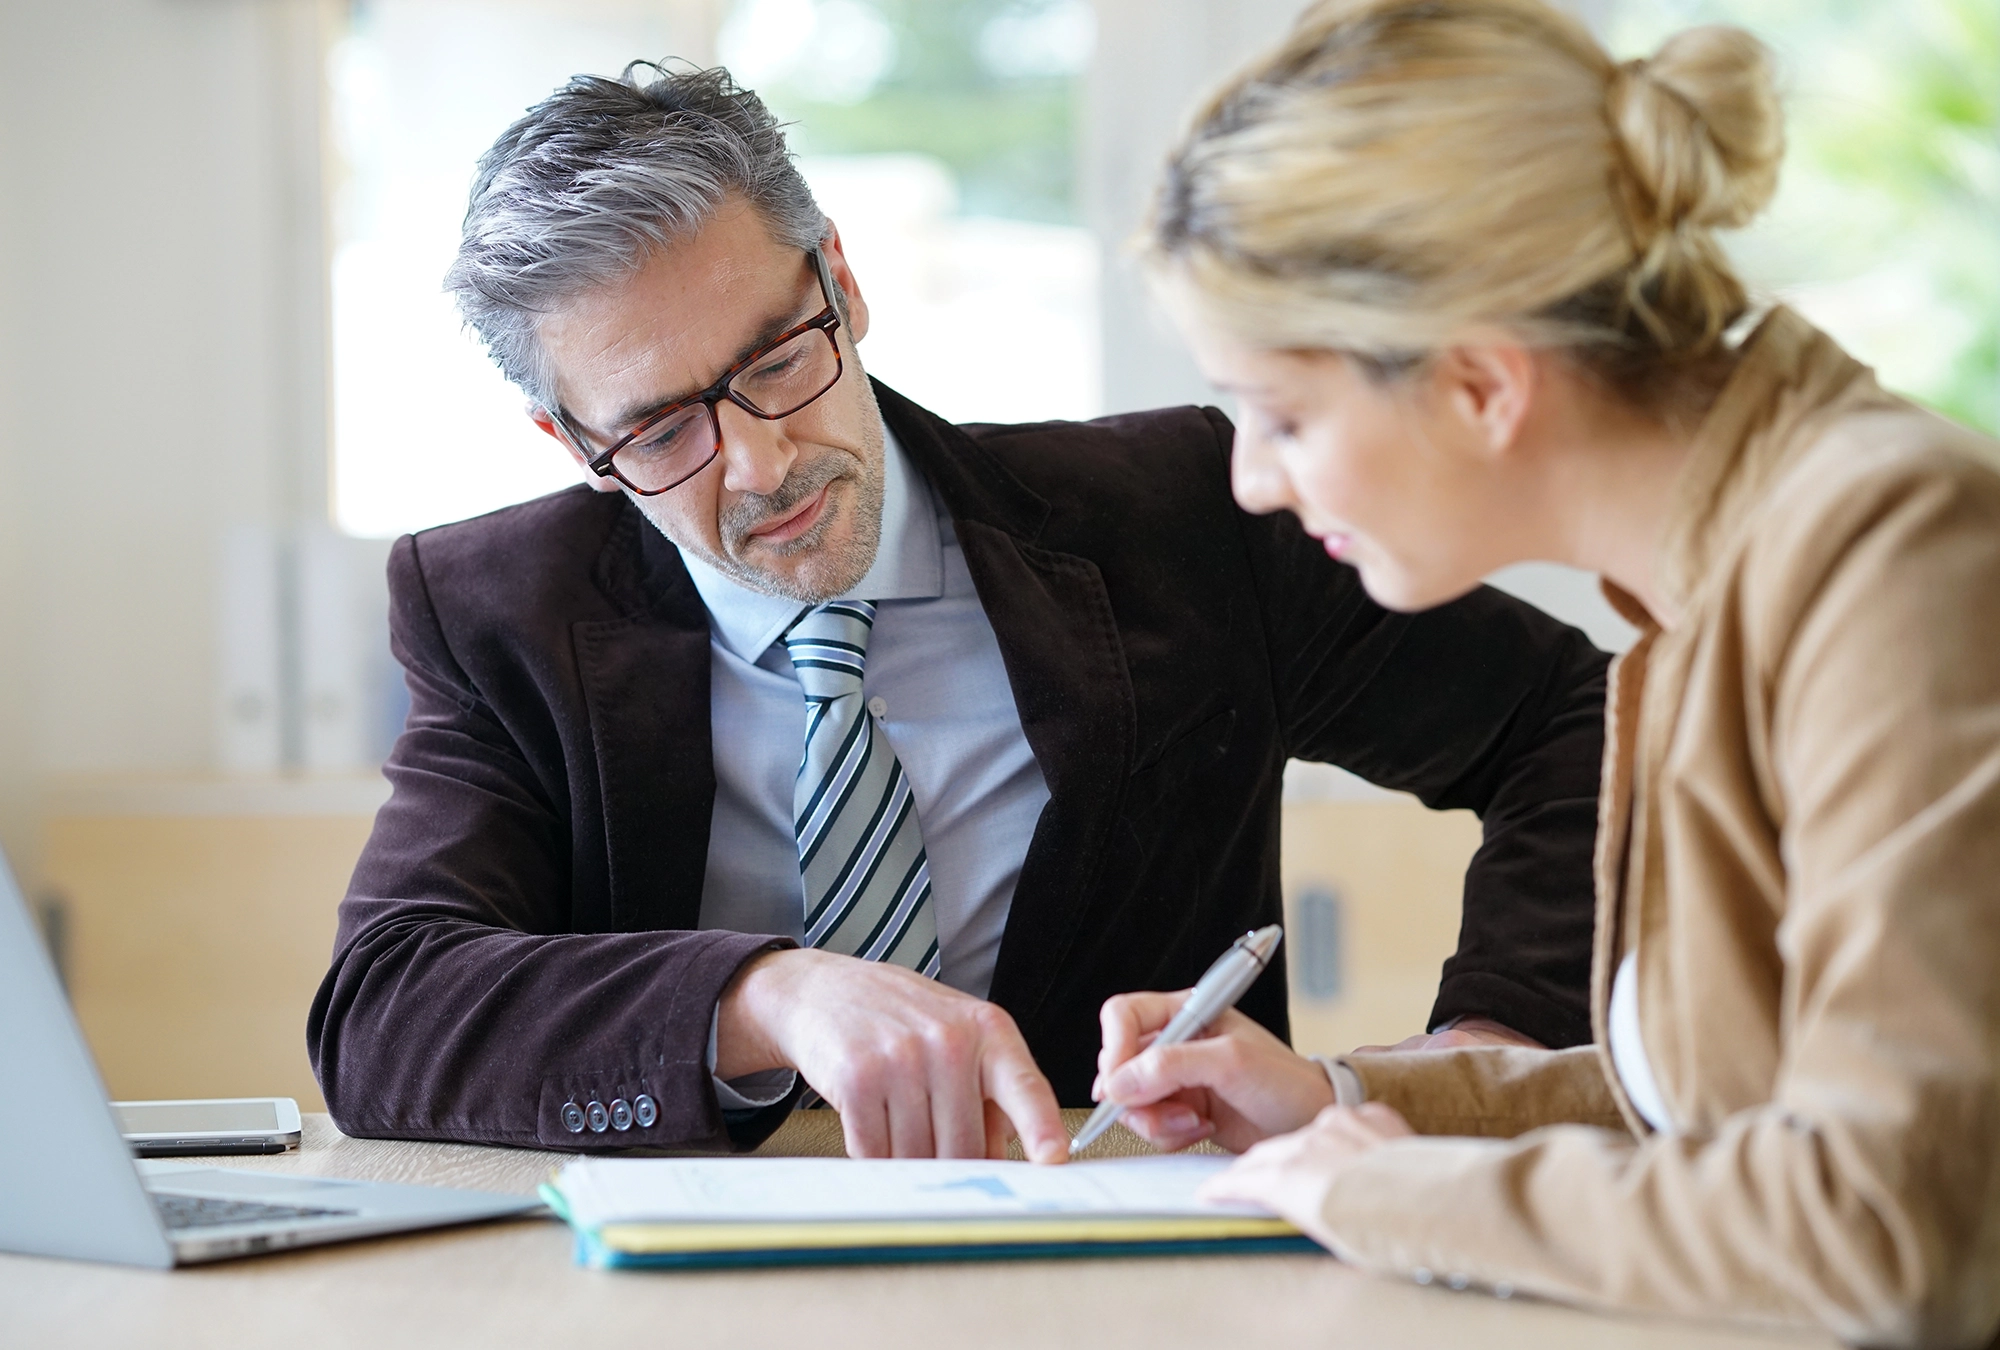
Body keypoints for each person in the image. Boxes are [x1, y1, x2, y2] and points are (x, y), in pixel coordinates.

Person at [307, 62, 1613, 1165]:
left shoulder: (1181, 519)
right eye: (660, 430)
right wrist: (760, 994)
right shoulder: (500, 611)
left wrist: (1487, 1049)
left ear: (841, 282)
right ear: (565, 434)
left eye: (777, 360)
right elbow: (385, 1014)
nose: (761, 464)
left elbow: (1576, 719)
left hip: (1139, 1260)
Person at [1095, 0, 2000, 1342]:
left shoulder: (1887, 553)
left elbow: (1879, 1213)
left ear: (1478, 384)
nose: (1250, 478)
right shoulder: (1715, 580)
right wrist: (1342, 1105)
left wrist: (1404, 1192)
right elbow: (1717, 1103)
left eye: (1283, 413)